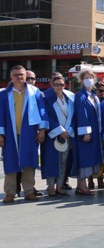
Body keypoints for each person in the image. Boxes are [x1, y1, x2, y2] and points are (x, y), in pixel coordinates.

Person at [1, 65, 47, 203]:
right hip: (10, 134)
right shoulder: (4, 94)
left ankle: (29, 191)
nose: (19, 77)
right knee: (10, 161)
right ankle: (10, 192)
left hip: (29, 132)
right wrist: (0, 134)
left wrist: (42, 130)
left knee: (29, 162)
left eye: (21, 74)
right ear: (11, 77)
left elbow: (42, 111)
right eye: (16, 75)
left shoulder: (35, 92)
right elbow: (0, 115)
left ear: (25, 76)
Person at [41, 75, 74, 197]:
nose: (59, 87)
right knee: (51, 161)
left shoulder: (69, 97)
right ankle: (50, 187)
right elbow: (46, 116)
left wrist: (68, 131)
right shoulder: (46, 98)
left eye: (61, 84)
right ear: (52, 85)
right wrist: (59, 130)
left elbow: (72, 115)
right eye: (56, 84)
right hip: (53, 135)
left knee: (63, 162)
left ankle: (60, 186)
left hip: (67, 134)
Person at [71, 69, 101, 197]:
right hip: (86, 134)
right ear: (81, 80)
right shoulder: (80, 96)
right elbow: (81, 115)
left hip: (95, 132)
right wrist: (85, 133)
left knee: (90, 158)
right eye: (86, 78)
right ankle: (82, 186)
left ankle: (79, 186)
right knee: (84, 158)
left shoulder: (93, 95)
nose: (89, 80)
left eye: (91, 77)